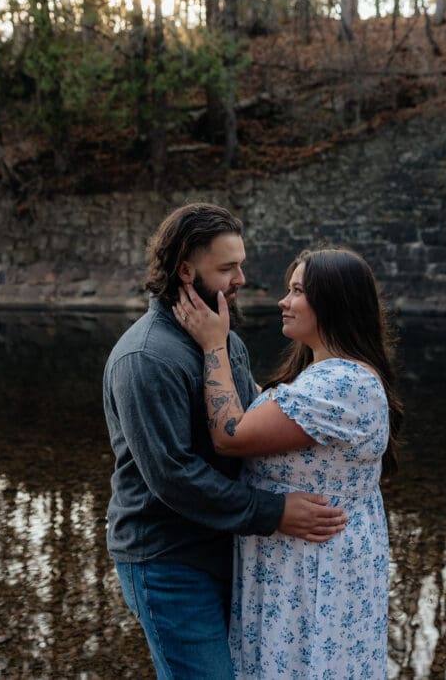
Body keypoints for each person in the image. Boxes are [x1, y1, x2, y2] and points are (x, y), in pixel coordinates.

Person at [102, 204, 349, 680]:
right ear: (186, 271)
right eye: (227, 267)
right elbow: (174, 477)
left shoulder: (221, 336)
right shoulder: (145, 357)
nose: (241, 278)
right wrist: (275, 512)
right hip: (166, 560)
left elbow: (247, 421)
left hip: (224, 547)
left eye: (241, 263)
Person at [175, 248, 404, 678]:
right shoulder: (327, 376)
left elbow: (230, 435)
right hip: (300, 562)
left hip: (313, 571)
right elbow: (278, 417)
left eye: (297, 291)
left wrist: (213, 345)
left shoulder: (342, 383)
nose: (283, 301)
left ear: (333, 303)